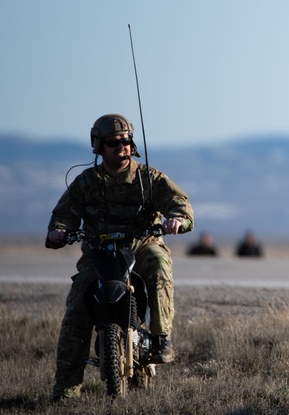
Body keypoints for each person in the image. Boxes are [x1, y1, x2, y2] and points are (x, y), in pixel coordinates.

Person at [45, 114, 194, 400]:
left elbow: (181, 204)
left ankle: (161, 337)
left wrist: (176, 219)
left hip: (140, 247)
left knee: (159, 262)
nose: (122, 147)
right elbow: (62, 216)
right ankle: (66, 390)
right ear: (99, 147)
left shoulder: (149, 179)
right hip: (97, 254)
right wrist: (59, 232)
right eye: (114, 143)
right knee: (76, 312)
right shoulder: (86, 182)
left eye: (126, 141)